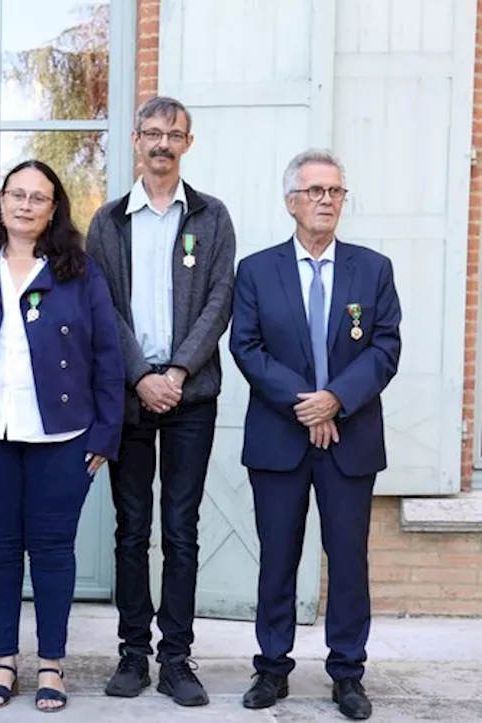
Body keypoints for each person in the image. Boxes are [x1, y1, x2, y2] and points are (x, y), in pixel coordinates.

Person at [0, 160, 123, 712]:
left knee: (52, 551)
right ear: (1, 202)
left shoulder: (79, 272)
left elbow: (107, 357)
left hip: (63, 439)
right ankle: (2, 661)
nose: (25, 205)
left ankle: (52, 665)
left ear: (54, 208)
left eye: (38, 197)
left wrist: (105, 435)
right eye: (16, 194)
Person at [231, 150, 401, 721]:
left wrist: (337, 400)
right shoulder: (256, 270)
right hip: (280, 438)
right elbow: (246, 347)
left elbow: (385, 347)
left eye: (335, 192)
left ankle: (348, 673)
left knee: (348, 559)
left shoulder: (373, 269)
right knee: (277, 556)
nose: (327, 201)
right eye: (316, 192)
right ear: (291, 203)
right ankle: (272, 669)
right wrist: (308, 404)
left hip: (350, 439)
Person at [84, 96, 236, 707]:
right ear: (135, 140)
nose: (163, 144)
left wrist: (175, 370)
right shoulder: (108, 221)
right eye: (152, 133)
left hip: (191, 397)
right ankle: (132, 654)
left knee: (181, 528)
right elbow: (103, 308)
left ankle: (176, 658)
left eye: (174, 134)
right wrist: (142, 375)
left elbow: (220, 298)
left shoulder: (211, 216)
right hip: (129, 397)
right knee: (130, 530)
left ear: (188, 144)